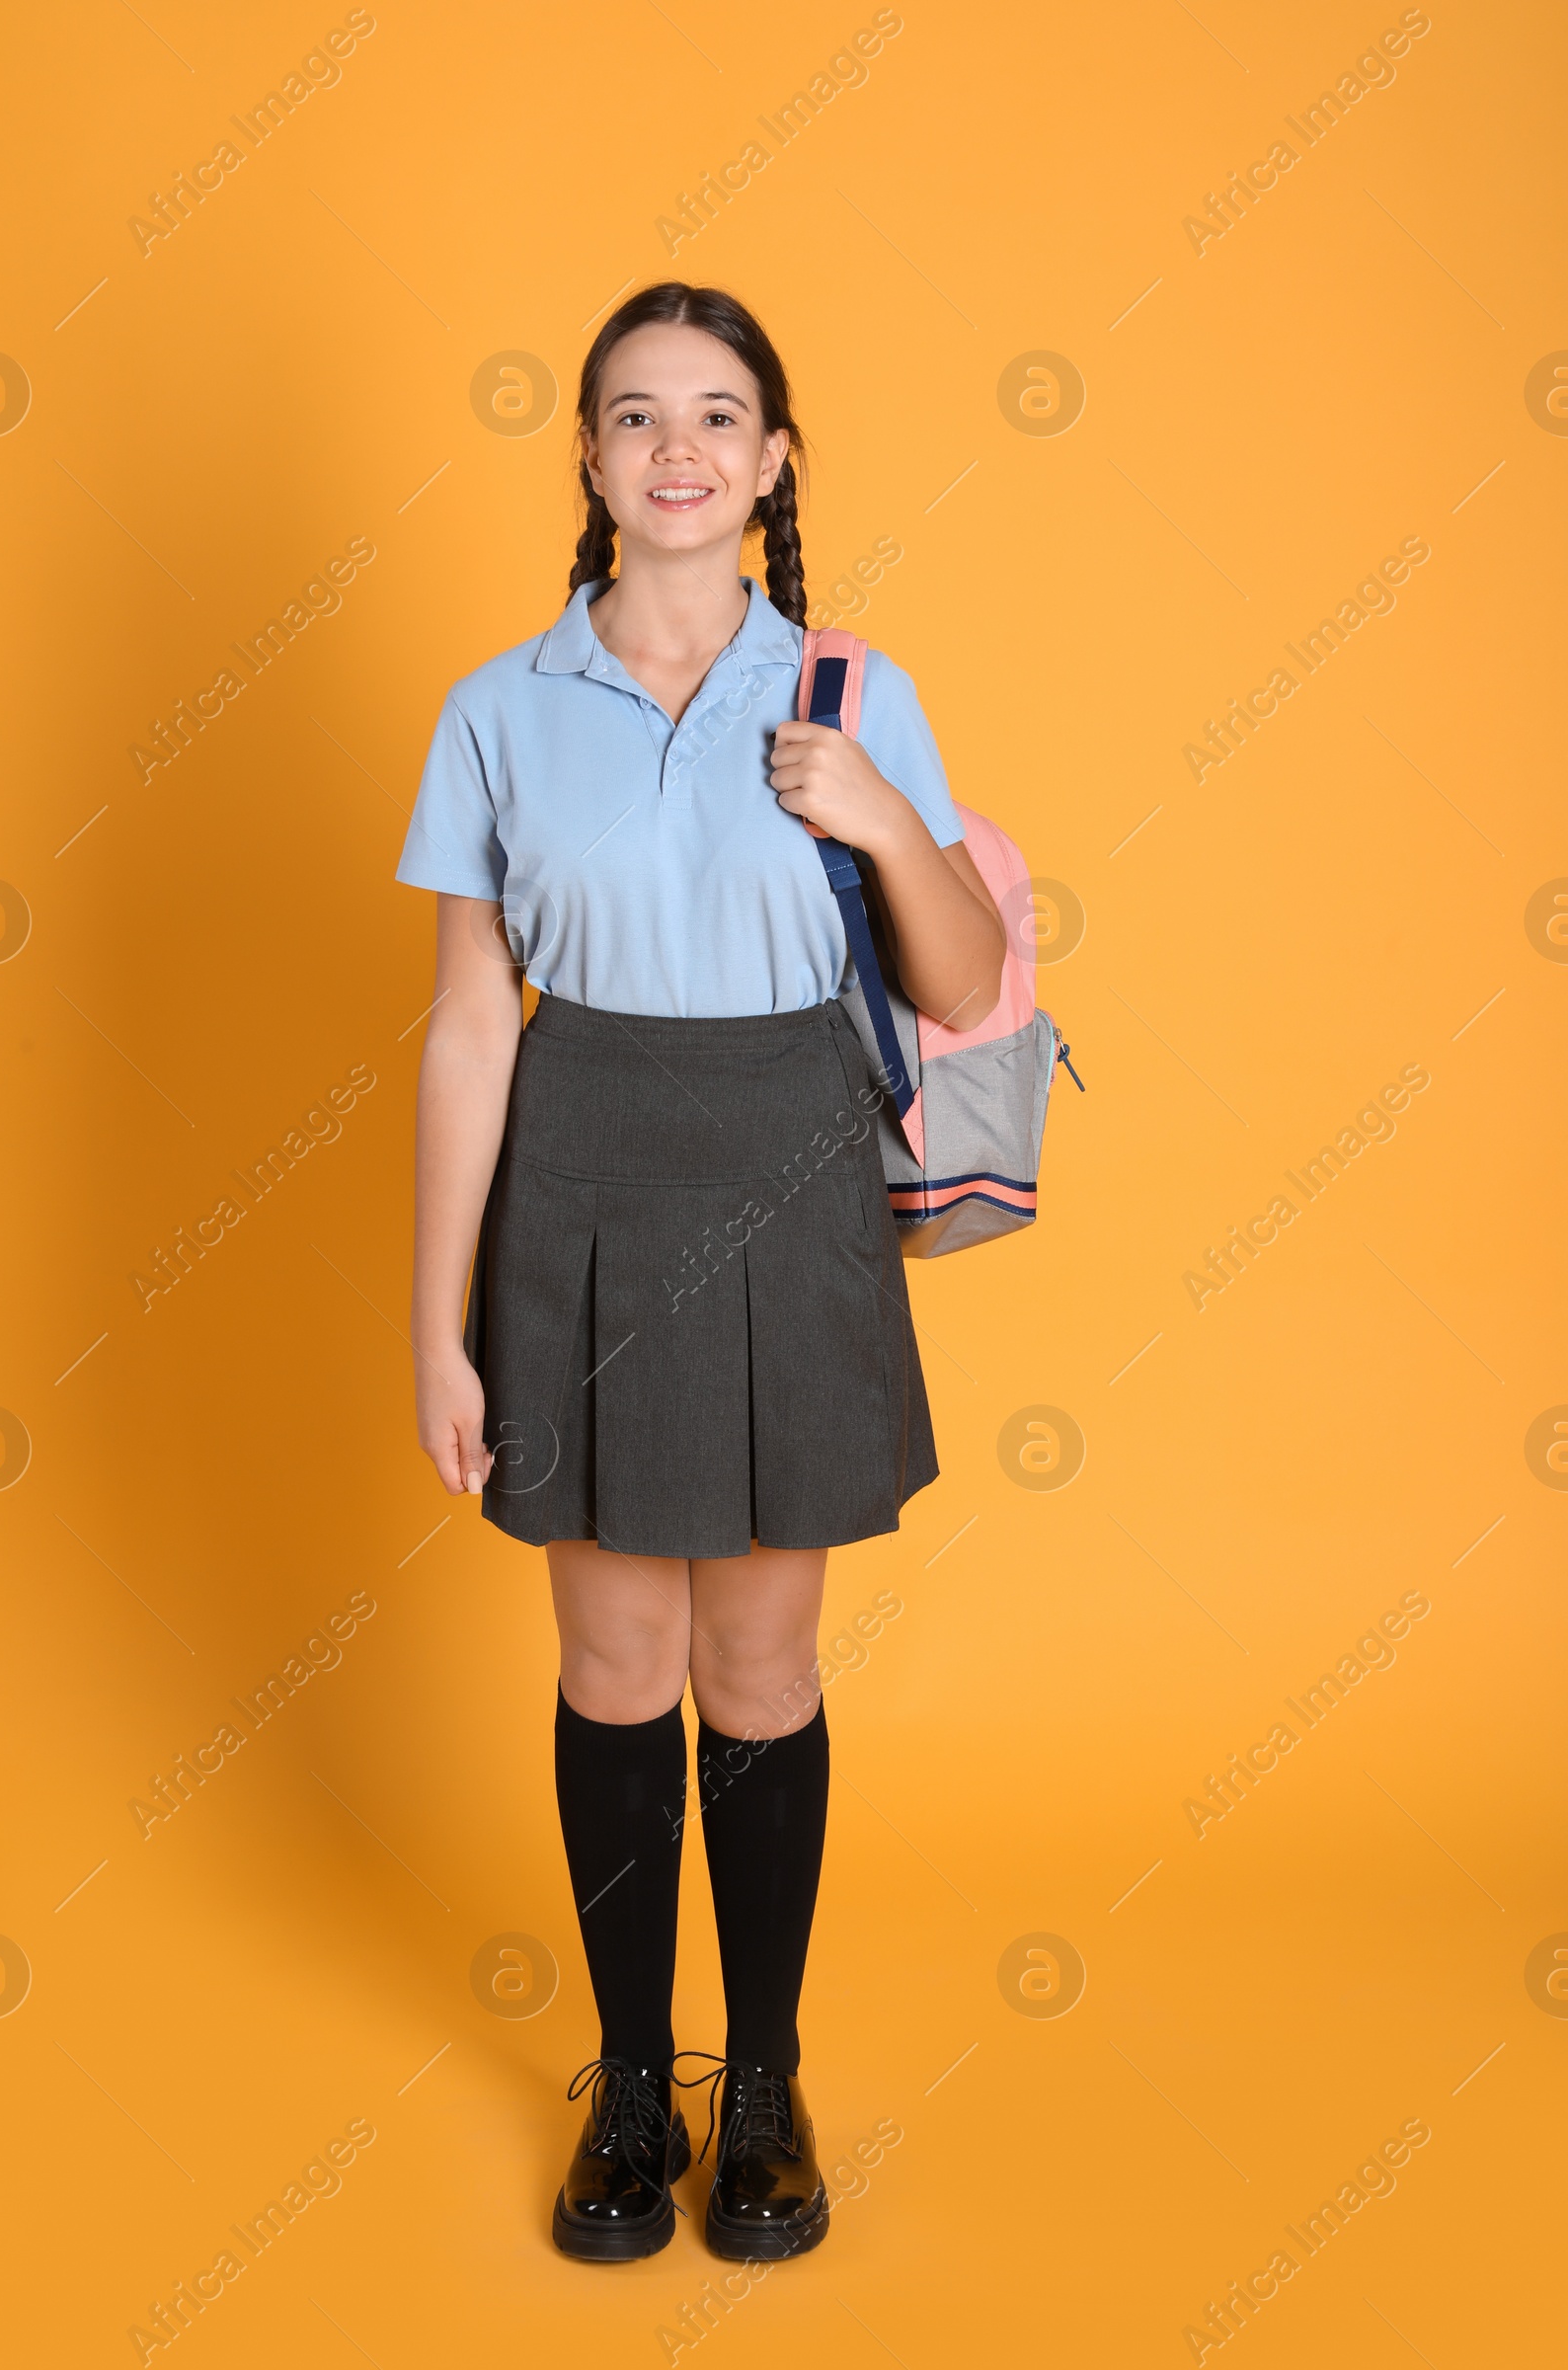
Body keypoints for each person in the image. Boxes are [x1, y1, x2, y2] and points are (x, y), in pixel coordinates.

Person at [397, 281, 1004, 2263]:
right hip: (572, 1190)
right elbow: (471, 1025)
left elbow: (960, 983)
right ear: (585, 459)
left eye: (717, 414)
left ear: (769, 463)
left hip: (786, 1179)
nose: (676, 445)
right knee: (612, 1668)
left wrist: (881, 814)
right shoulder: (495, 709)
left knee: (755, 1670)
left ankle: (764, 2086)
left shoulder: (847, 692)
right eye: (636, 413)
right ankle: (631, 2088)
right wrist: (435, 1327)